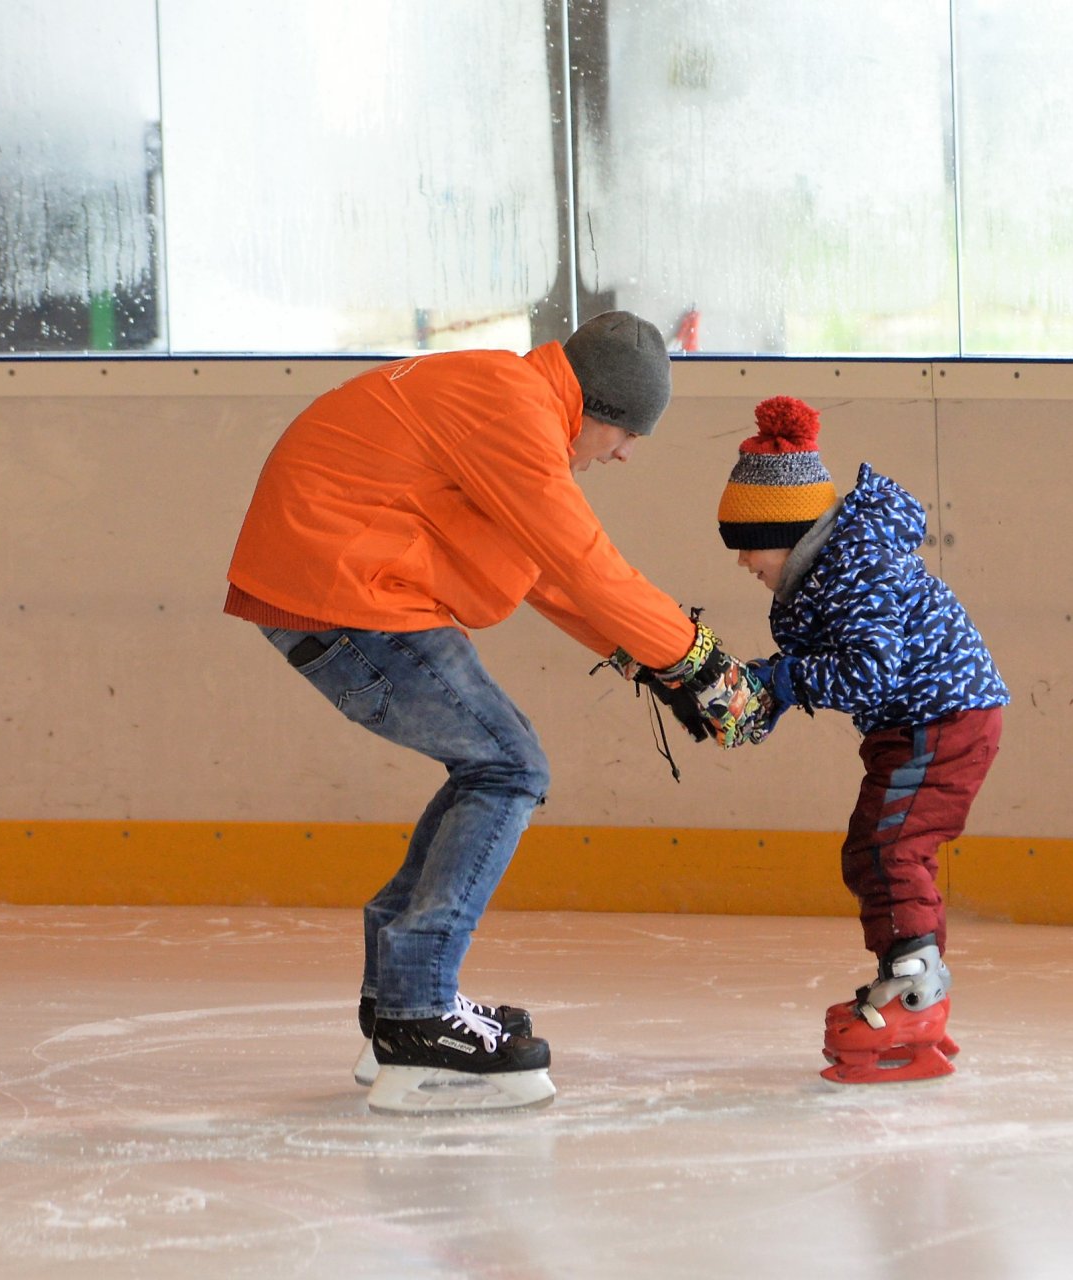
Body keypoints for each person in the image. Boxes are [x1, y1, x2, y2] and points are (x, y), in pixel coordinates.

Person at [224, 311, 764, 1114]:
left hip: (339, 582)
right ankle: (418, 1013)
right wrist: (704, 665)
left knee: (490, 763)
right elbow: (585, 564)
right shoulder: (513, 410)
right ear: (596, 406)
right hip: (347, 591)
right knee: (509, 767)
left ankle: (398, 1003)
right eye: (625, 433)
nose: (623, 454)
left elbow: (547, 570)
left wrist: (651, 661)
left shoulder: (502, 397)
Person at [715, 395, 1009, 1085]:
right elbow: (849, 665)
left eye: (746, 546)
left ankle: (916, 996)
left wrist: (783, 681)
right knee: (878, 848)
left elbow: (867, 671)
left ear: (787, 532)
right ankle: (908, 983)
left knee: (890, 846)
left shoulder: (853, 567)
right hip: (925, 720)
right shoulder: (835, 568)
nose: (742, 564)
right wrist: (773, 694)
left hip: (939, 719)